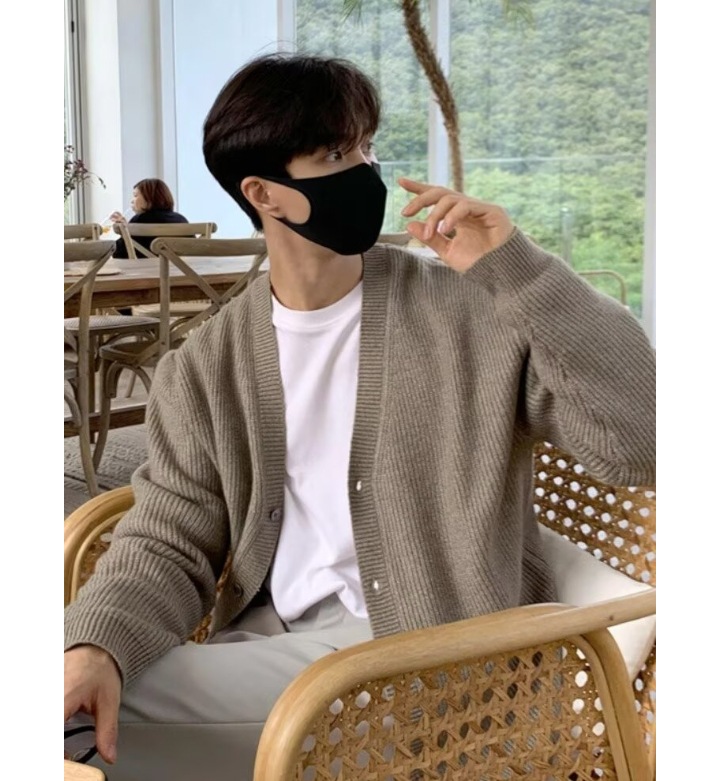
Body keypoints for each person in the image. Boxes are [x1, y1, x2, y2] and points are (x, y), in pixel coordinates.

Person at [64, 53, 655, 781]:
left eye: (367, 148)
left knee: (63, 720)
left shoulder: (469, 312)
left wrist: (519, 269)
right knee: (77, 680)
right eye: (336, 155)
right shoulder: (206, 365)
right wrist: (96, 645)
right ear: (264, 194)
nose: (367, 172)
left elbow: (641, 443)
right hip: (271, 646)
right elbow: (168, 537)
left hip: (434, 660)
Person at [111, 177, 188, 258]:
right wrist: (127, 229)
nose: (132, 201)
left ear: (149, 198)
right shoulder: (181, 220)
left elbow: (119, 253)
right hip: (179, 266)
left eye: (135, 195)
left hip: (145, 266)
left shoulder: (140, 219)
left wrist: (125, 231)